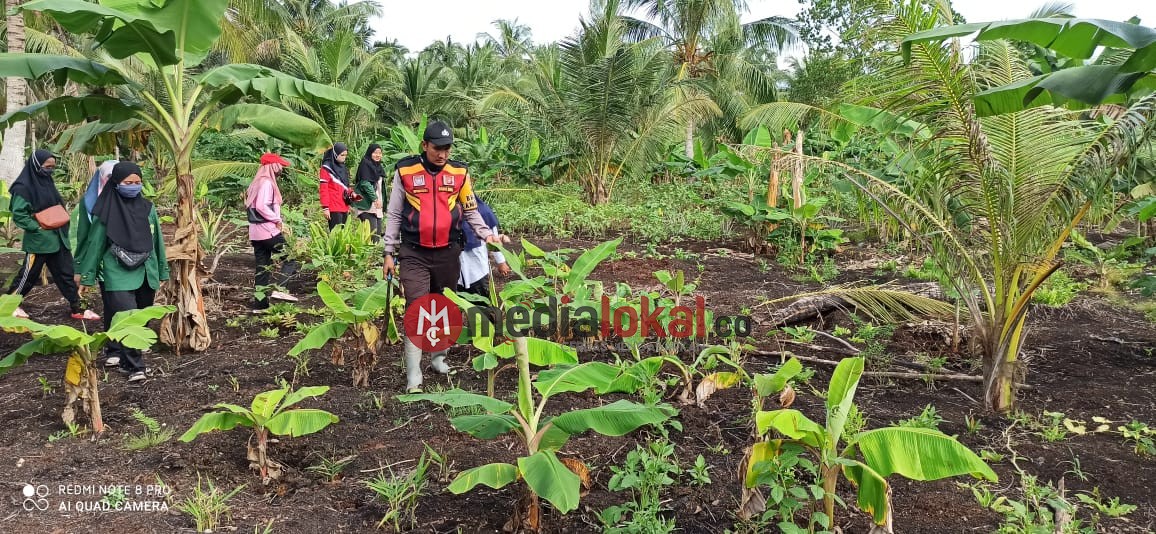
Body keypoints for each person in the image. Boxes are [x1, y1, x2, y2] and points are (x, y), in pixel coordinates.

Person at [382, 120, 506, 393]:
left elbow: (470, 209)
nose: (442, 154)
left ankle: (438, 359)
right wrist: (388, 252)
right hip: (414, 252)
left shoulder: (459, 172)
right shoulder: (405, 170)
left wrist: (487, 235)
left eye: (447, 148)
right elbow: (393, 213)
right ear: (425, 145)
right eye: (437, 148)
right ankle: (414, 378)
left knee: (442, 307)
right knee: (416, 309)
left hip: (449, 252)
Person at [76, 161, 168, 383]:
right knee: (128, 319)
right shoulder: (105, 211)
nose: (133, 186)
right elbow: (95, 245)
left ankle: (127, 360)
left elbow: (158, 242)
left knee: (143, 316)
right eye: (128, 182)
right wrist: (86, 276)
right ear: (116, 184)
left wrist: (163, 272)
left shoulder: (148, 208)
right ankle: (137, 367)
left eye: (137, 182)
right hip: (117, 273)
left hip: (147, 271)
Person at [7, 149, 99, 321]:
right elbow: (19, 213)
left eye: (52, 167)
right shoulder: (23, 187)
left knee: (66, 273)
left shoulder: (47, 182)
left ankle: (78, 308)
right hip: (39, 241)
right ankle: (9, 305)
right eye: (47, 166)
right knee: (29, 275)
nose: (50, 170)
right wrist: (36, 227)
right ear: (36, 165)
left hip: (58, 237)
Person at [246, 152, 300, 312]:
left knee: (262, 267)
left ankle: (260, 305)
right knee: (290, 257)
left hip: (255, 233)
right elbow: (262, 206)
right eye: (279, 165)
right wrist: (277, 220)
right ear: (272, 166)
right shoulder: (267, 183)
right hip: (267, 230)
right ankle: (281, 291)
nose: (281, 168)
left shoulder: (255, 183)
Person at [457, 195, 510, 299]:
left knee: (481, 306)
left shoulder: (481, 210)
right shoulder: (445, 210)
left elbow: (494, 238)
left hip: (477, 269)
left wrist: (501, 262)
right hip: (453, 269)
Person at [351, 143, 386, 241]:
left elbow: (380, 187)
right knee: (372, 236)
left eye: (380, 153)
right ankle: (368, 256)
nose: (378, 155)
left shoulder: (378, 167)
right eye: (375, 153)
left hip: (377, 206)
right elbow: (365, 183)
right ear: (370, 153)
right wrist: (374, 199)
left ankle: (374, 256)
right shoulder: (365, 164)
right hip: (367, 204)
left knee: (377, 236)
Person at [318, 143, 357, 231]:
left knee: (343, 234)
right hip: (333, 206)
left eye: (345, 155)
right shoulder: (326, 168)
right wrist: (325, 208)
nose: (344, 157)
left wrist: (352, 196)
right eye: (342, 155)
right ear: (335, 154)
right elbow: (323, 189)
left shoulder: (343, 168)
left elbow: (345, 186)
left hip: (344, 206)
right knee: (336, 234)